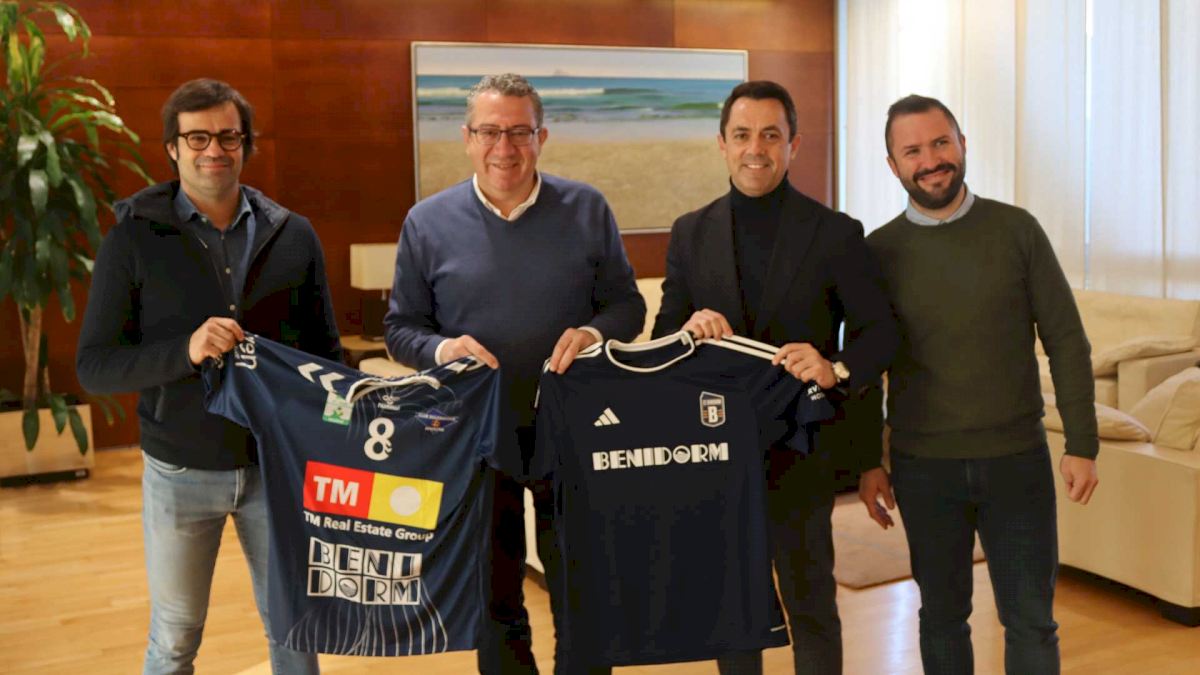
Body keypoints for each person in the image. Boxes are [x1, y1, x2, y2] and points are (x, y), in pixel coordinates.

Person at [383, 73, 645, 675]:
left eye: (520, 132)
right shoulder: (426, 222)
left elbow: (627, 307)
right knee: (494, 598)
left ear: (542, 137)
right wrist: (442, 350)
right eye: (490, 132)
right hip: (475, 436)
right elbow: (401, 329)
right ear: (467, 138)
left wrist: (594, 334)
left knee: (583, 591)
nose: (505, 147)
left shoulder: (587, 208)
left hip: (573, 430)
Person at [76, 79, 339, 673]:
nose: (213, 149)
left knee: (296, 632)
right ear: (173, 147)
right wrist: (186, 350)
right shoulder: (132, 238)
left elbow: (325, 358)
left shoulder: (294, 235)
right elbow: (95, 367)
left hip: (277, 468)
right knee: (174, 639)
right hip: (180, 471)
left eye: (227, 136)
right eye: (197, 137)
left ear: (247, 144)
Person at [652, 80, 899, 675]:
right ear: (722, 143)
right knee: (733, 613)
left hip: (801, 452)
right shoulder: (689, 231)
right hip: (714, 453)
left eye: (770, 135)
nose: (755, 148)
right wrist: (688, 329)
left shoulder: (837, 232)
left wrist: (835, 367)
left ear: (794, 144)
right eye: (742, 135)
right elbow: (661, 338)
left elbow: (879, 335)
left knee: (810, 604)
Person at [860, 94, 1100, 675]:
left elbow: (1067, 341)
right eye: (912, 151)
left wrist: (1082, 443)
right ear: (892, 165)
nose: (931, 160)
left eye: (941, 142)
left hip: (1016, 461)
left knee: (1031, 621)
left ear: (963, 144)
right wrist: (867, 461)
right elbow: (864, 368)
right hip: (923, 467)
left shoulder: (1017, 230)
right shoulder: (876, 252)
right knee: (942, 618)